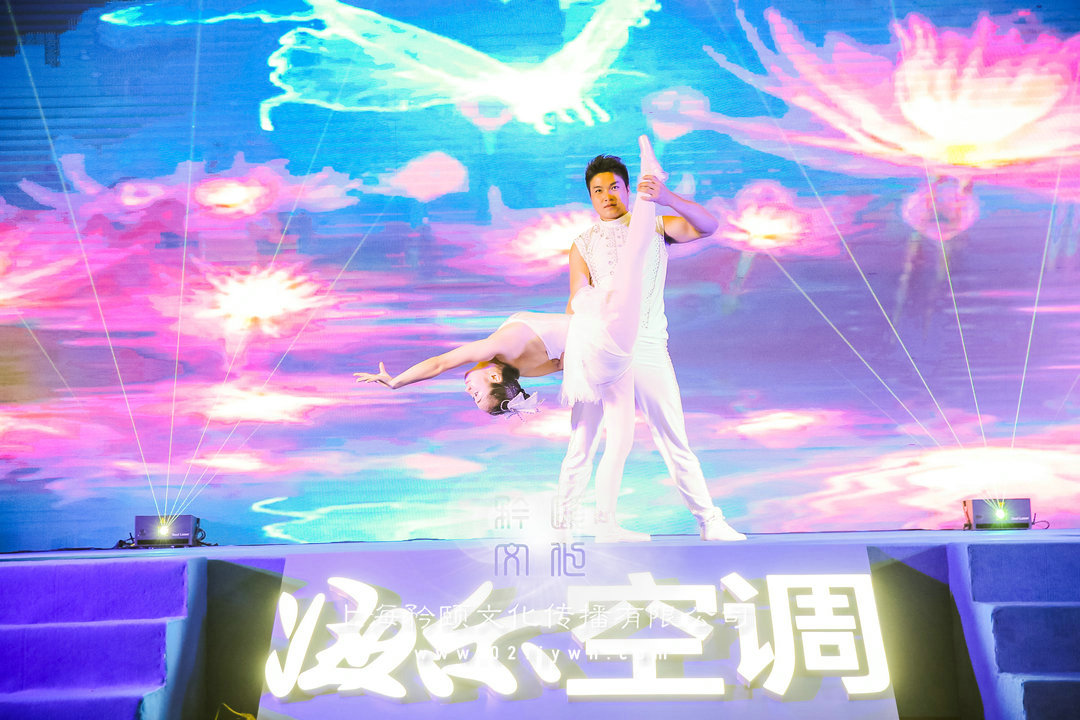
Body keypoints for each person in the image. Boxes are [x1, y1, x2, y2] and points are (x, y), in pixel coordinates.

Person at [555, 143, 746, 542]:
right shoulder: (583, 243)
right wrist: (572, 353)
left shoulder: (657, 227)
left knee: (673, 437)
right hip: (601, 348)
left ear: (627, 190)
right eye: (598, 191)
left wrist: (666, 197)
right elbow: (575, 300)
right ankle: (563, 528)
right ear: (590, 197)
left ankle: (709, 521)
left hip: (647, 345)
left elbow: (708, 226)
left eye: (614, 187)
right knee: (582, 443)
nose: (607, 196)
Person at [354, 311, 567, 416]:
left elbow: (562, 363)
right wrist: (396, 382)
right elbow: (440, 363)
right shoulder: (496, 348)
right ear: (495, 377)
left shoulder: (527, 370)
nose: (467, 390)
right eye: (476, 394)